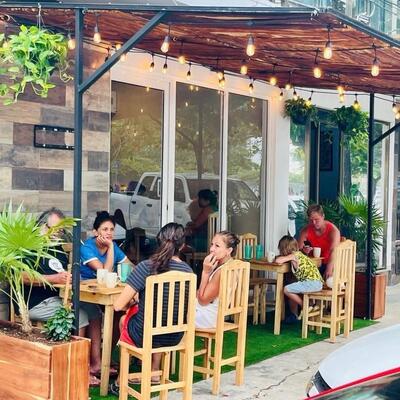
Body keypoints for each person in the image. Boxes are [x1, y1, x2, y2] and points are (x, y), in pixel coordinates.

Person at [110, 223, 192, 395]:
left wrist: (134, 301)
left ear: (158, 241)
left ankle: (121, 379)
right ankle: (154, 372)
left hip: (145, 335)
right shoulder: (188, 271)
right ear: (183, 246)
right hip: (175, 336)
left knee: (125, 320)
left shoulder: (146, 266)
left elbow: (118, 305)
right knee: (156, 321)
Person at [25, 208, 102, 386]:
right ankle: (78, 369)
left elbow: (63, 273)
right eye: (53, 229)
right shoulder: (30, 246)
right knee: (80, 316)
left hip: (59, 298)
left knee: (93, 310)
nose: (57, 233)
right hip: (36, 302)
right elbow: (23, 276)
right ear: (41, 226)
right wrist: (54, 279)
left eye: (60, 230)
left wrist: (71, 278)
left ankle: (95, 364)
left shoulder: (57, 248)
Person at [195, 231, 240, 329]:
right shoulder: (230, 265)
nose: (211, 249)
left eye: (217, 246)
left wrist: (205, 272)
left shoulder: (222, 271)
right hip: (212, 314)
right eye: (212, 244)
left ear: (229, 250)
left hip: (207, 317)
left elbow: (203, 301)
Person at [276, 235, 323, 323]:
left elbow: (278, 261)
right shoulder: (300, 254)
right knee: (294, 287)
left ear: (284, 249)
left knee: (286, 289)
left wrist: (278, 257)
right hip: (318, 283)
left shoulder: (293, 255)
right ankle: (310, 305)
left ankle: (305, 305)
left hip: (311, 283)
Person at [80, 211, 128, 280]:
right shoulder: (86, 248)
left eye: (112, 229)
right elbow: (105, 274)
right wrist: (110, 246)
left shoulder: (113, 246)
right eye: (105, 229)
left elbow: (130, 265)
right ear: (95, 232)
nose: (109, 233)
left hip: (107, 285)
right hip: (87, 285)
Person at [298, 204, 341, 280]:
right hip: (313, 265)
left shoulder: (333, 231)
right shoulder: (305, 231)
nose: (314, 223)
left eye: (316, 219)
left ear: (323, 216)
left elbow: (334, 251)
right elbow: (299, 250)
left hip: (330, 263)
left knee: (330, 278)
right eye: (311, 220)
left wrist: (329, 268)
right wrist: (304, 251)